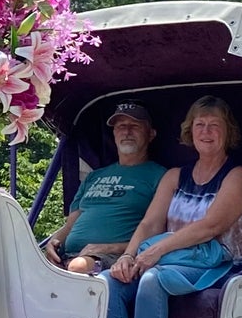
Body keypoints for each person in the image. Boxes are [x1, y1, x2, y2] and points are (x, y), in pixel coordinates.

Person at [100, 94, 242, 318]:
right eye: (200, 125)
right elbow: (149, 224)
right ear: (190, 131)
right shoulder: (175, 177)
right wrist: (129, 256)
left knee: (153, 279)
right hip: (170, 256)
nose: (206, 132)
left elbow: (210, 227)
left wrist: (156, 252)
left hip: (216, 261)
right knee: (109, 280)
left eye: (214, 125)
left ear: (227, 132)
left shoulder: (238, 176)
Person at [41, 101, 167, 274]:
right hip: (68, 256)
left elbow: (159, 232)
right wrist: (53, 242)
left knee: (77, 266)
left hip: (115, 258)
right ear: (114, 134)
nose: (127, 132)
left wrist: (109, 248)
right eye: (121, 126)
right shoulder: (94, 176)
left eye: (135, 126)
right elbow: (70, 225)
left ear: (151, 134)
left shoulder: (160, 176)